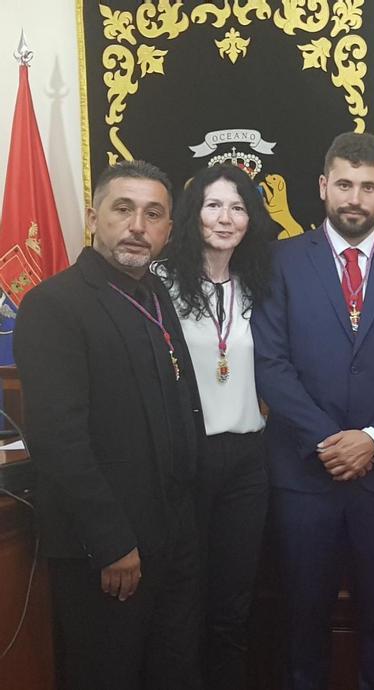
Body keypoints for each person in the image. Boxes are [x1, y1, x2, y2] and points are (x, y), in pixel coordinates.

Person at [252, 132, 374, 690]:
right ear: (322, 187)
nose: (354, 198)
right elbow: (272, 362)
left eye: (367, 186)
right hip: (303, 477)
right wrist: (332, 441)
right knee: (300, 621)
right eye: (343, 185)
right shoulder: (281, 263)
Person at [14, 160, 204, 690]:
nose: (137, 226)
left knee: (173, 673)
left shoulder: (155, 295)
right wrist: (113, 543)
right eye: (123, 209)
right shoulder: (53, 304)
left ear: (168, 230)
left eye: (153, 214)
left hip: (171, 537)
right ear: (95, 217)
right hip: (108, 551)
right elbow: (59, 439)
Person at [155, 163, 273, 690]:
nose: (226, 218)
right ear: (193, 213)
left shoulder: (261, 284)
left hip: (248, 461)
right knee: (183, 598)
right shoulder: (159, 284)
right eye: (213, 205)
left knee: (233, 601)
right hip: (187, 458)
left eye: (238, 207)